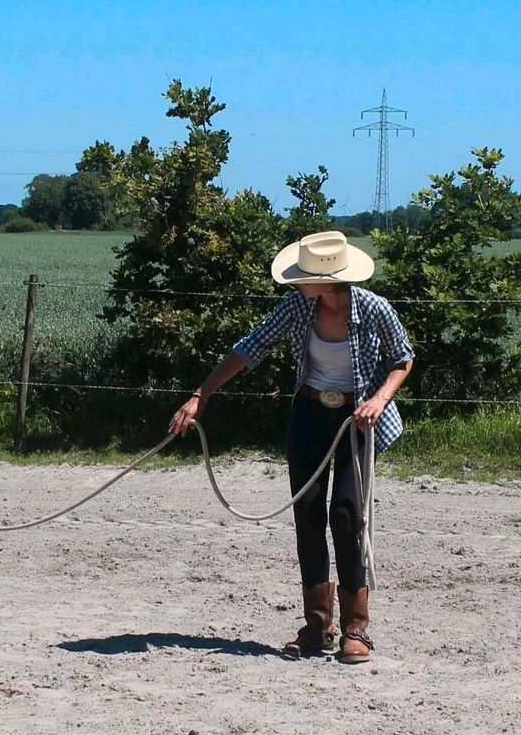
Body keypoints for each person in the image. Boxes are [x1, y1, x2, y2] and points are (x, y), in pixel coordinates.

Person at [169, 231, 414, 664]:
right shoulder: (298, 307)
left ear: (329, 279)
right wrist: (200, 394)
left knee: (347, 514)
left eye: (303, 276)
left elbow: (403, 358)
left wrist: (379, 399)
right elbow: (249, 350)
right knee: (307, 514)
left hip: (358, 419)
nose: (296, 282)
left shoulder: (374, 309)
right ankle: (318, 624)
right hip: (310, 414)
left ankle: (357, 628)